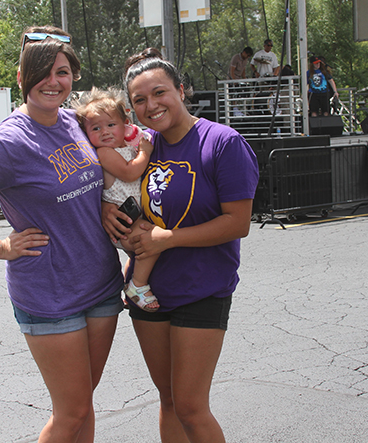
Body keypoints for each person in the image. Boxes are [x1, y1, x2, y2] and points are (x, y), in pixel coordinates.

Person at [0, 26, 124, 443]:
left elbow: (100, 175)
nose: (53, 82)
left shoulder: (76, 122)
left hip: (102, 284)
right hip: (50, 294)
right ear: (21, 79)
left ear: (73, 75)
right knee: (70, 413)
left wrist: (106, 205)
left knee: (83, 406)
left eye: (62, 72)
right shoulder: (5, 143)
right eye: (42, 73)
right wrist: (0, 247)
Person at [103, 49, 259, 442]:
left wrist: (165, 240)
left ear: (181, 90)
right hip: (148, 293)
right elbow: (108, 184)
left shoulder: (222, 142)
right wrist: (105, 211)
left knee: (191, 405)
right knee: (169, 399)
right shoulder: (142, 147)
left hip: (201, 288)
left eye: (159, 93)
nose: (151, 105)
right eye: (139, 100)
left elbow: (237, 223)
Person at [73, 87, 160, 312]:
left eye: (111, 125)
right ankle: (137, 286)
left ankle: (132, 280)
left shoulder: (126, 148)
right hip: (122, 222)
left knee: (143, 248)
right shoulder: (104, 153)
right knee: (153, 243)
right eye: (96, 128)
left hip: (132, 217)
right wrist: (145, 153)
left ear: (125, 125)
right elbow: (130, 172)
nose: (105, 132)